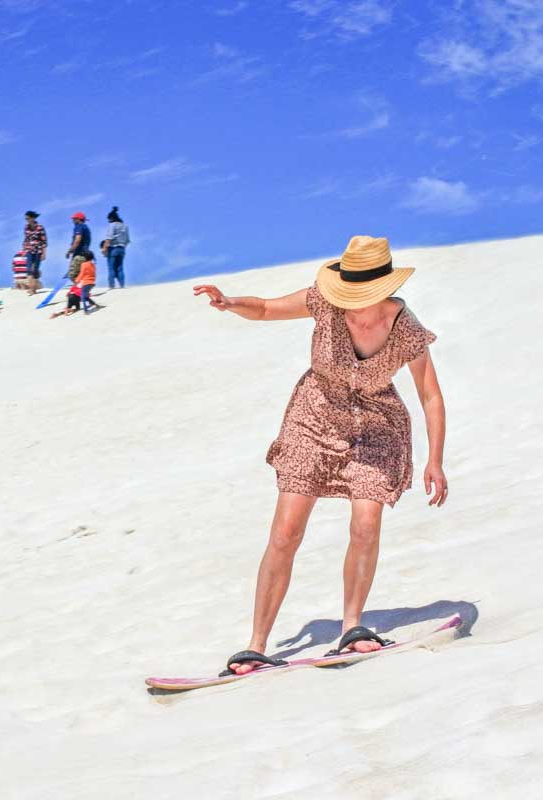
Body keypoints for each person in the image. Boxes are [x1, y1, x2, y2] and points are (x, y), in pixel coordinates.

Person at [192, 235, 448, 676]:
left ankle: (353, 627)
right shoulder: (324, 302)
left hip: (375, 425)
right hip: (315, 415)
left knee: (365, 523)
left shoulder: (404, 327)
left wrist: (435, 460)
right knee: (286, 532)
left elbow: (430, 396)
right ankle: (256, 645)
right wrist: (230, 302)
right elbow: (269, 308)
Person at [102, 206, 130, 288]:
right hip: (122, 249)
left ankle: (111, 286)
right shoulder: (125, 226)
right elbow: (127, 240)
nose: (108, 221)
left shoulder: (112, 225)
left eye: (109, 219)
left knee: (111, 268)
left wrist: (104, 249)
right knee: (120, 268)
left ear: (111, 218)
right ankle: (122, 285)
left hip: (113, 248)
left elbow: (109, 238)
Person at [22, 210, 47, 294]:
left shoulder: (40, 227)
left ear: (32, 218)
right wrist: (23, 249)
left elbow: (44, 241)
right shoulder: (26, 227)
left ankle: (34, 288)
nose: (26, 220)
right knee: (29, 269)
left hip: (38, 250)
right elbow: (26, 239)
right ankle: (31, 289)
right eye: (25, 218)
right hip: (29, 250)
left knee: (35, 270)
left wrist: (44, 253)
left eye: (27, 218)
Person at [65, 211, 92, 283]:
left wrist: (69, 251)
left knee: (72, 275)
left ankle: (79, 290)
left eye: (74, 219)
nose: (72, 220)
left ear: (78, 219)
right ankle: (81, 290)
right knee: (81, 274)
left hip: (79, 255)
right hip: (85, 255)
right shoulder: (86, 228)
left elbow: (77, 240)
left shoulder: (79, 227)